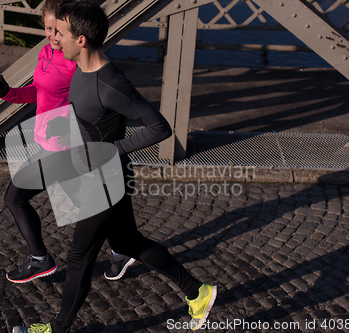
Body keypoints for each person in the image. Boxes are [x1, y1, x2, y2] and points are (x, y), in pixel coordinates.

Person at [12, 2, 217, 332]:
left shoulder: (110, 84)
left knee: (79, 257)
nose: (54, 40)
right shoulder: (79, 68)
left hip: (104, 182)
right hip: (100, 174)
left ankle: (56, 329)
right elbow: (89, 121)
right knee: (126, 243)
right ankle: (198, 292)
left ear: (81, 40)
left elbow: (159, 128)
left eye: (60, 34)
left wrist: (108, 151)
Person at [0, 0, 134, 284]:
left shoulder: (74, 61)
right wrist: (8, 93)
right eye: (47, 28)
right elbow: (40, 93)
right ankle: (122, 250)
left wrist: (72, 129)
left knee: (14, 198)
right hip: (47, 142)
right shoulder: (46, 53)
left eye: (57, 30)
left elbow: (91, 104)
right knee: (91, 206)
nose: (52, 36)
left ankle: (40, 259)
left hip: (64, 149)